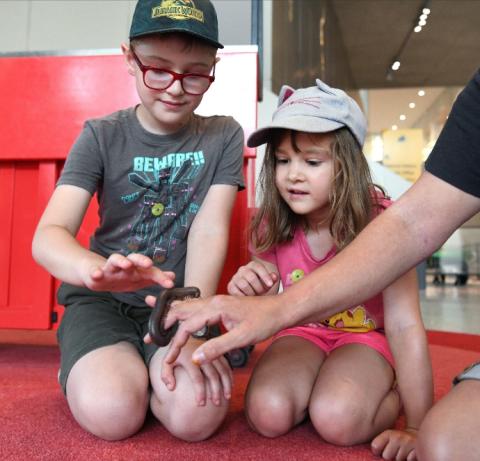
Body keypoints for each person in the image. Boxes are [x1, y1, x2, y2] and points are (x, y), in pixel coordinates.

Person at [158, 69, 480, 460]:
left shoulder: (382, 222)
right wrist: (252, 283)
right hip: (301, 334)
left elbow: (403, 323)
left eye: (312, 161)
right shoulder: (270, 222)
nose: (293, 175)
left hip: (364, 338)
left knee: (338, 420)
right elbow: (274, 294)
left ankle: (383, 391)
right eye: (281, 160)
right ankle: (320, 387)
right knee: (266, 413)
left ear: (346, 165)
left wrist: (415, 424)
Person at [32, 0, 243, 442]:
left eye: (196, 72)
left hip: (176, 304)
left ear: (213, 67)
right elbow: (48, 237)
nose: (175, 88)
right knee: (113, 413)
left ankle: (139, 369)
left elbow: (209, 228)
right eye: (159, 69)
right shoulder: (100, 135)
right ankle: (97, 365)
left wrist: (196, 318)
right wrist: (96, 273)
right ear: (130, 58)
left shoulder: (224, 134)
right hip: (102, 303)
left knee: (196, 419)